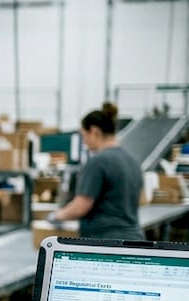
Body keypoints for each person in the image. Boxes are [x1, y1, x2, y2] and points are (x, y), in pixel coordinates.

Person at [48, 103, 144, 240]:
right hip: (133, 239)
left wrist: (57, 216)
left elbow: (81, 206)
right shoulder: (132, 161)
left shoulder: (98, 162)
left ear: (94, 131)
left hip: (106, 242)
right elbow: (142, 199)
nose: (84, 142)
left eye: (84, 135)